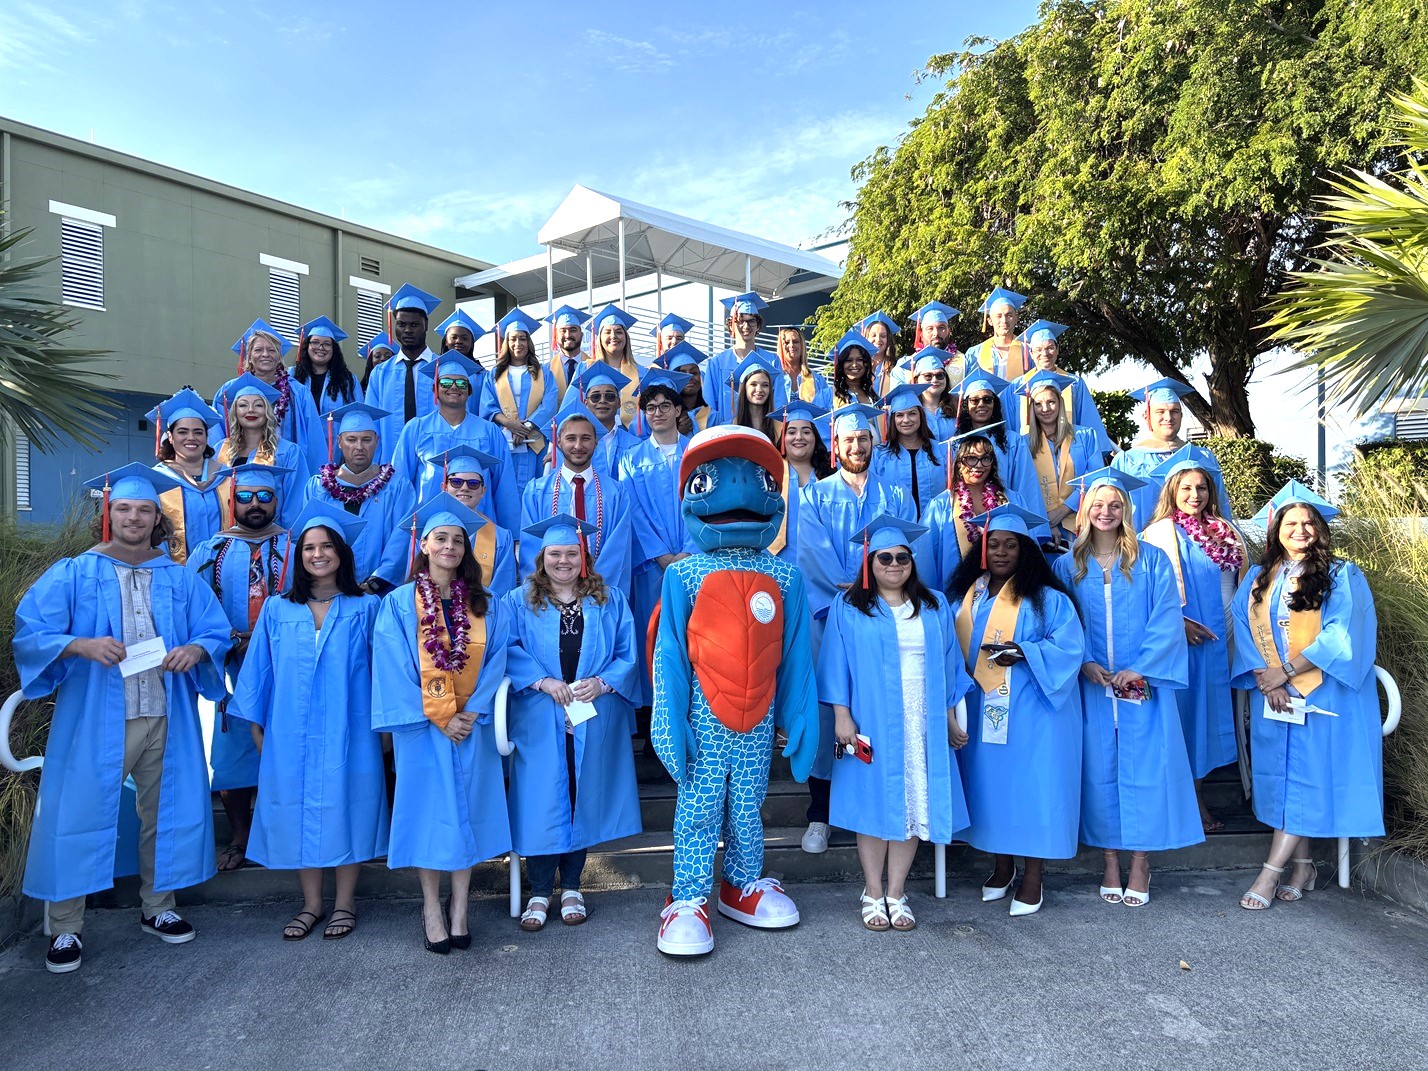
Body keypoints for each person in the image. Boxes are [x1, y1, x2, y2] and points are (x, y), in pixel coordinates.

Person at [15, 464, 231, 974]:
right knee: (77, 812)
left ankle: (158, 907)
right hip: (97, 717)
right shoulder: (75, 571)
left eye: (144, 510)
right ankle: (65, 927)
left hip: (165, 712)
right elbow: (31, 631)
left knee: (165, 813)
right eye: (125, 509)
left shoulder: (179, 577)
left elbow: (214, 629)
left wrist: (197, 650)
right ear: (109, 515)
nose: (134, 518)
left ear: (158, 517)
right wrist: (80, 645)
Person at [650, 426, 818, 956]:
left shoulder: (786, 577)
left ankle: (742, 882)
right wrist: (669, 720)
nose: (740, 492)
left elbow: (796, 652)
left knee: (748, 803)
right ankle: (688, 896)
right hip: (703, 716)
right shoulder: (683, 576)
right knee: (699, 804)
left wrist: (799, 715)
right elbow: (670, 654)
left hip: (757, 718)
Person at [227, 502, 387, 941]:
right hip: (290, 730)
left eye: (327, 546)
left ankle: (345, 903)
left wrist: (385, 729)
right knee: (298, 810)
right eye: (309, 547)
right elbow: (259, 669)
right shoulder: (278, 609)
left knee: (350, 808)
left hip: (352, 729)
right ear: (299, 556)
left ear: (342, 553)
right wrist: (256, 726)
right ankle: (312, 904)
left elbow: (384, 670)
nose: (318, 554)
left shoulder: (367, 607)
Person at [1051, 469, 1202, 907]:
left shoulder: (1151, 560)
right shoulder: (1067, 565)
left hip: (1141, 685)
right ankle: (1110, 861)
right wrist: (1083, 661)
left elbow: (1166, 617)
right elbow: (1061, 623)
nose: (1106, 512)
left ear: (1126, 511)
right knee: (1099, 771)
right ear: (1085, 510)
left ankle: (1140, 861)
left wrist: (1140, 668)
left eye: (1115, 505)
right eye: (1098, 505)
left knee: (1146, 770)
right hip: (1092, 685)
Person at [1232, 483, 1382, 911]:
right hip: (1274, 695)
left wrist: (1286, 673)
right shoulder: (1258, 578)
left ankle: (1269, 872)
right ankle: (1304, 867)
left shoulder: (1341, 575)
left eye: (1308, 523)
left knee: (1307, 778)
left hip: (1323, 695)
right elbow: (1242, 628)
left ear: (1320, 529)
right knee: (1285, 780)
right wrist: (1269, 680)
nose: (1300, 530)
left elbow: (1340, 637)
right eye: (1291, 523)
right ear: (1276, 530)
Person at [819, 514, 973, 931]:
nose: (893, 564)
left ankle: (896, 893)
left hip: (922, 720)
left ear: (912, 561)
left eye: (902, 557)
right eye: (883, 557)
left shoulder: (934, 604)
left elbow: (948, 665)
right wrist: (842, 716)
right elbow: (835, 663)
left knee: (914, 802)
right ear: (869, 562)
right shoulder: (849, 606)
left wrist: (948, 717)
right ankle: (872, 892)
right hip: (871, 716)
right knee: (873, 803)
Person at [371, 494, 511, 954]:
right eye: (441, 538)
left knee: (468, 811)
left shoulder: (485, 603)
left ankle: (460, 908)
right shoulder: (397, 603)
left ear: (466, 549)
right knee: (428, 816)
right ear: (425, 545)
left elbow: (497, 660)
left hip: (472, 727)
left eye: (458, 540)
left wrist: (472, 711)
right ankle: (431, 906)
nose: (449, 546)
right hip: (423, 729)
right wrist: (440, 716)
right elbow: (393, 666)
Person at [503, 515, 642, 930]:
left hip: (590, 714)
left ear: (584, 558)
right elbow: (505, 647)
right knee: (541, 800)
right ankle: (539, 891)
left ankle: (572, 887)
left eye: (571, 553)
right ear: (541, 557)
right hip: (538, 715)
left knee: (581, 797)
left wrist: (602, 683)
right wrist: (542, 681)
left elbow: (628, 652)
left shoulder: (609, 599)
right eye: (555, 554)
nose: (563, 561)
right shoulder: (518, 600)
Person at [947, 504, 1085, 915]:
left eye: (1011, 545)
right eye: (994, 544)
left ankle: (1033, 877)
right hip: (983, 706)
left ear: (1026, 551)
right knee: (994, 789)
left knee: (1033, 789)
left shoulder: (1047, 599)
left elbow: (1070, 648)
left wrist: (1025, 651)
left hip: (1035, 712)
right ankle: (1003, 867)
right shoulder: (967, 596)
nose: (1002, 552)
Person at [796, 404, 914, 854]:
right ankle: (820, 815)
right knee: (829, 712)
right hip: (830, 617)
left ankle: (880, 809)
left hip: (887, 618)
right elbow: (811, 553)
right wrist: (858, 589)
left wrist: (877, 590)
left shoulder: (896, 495)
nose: (857, 446)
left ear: (873, 443)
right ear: (836, 445)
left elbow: (905, 555)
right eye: (849, 440)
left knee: (880, 709)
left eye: (863, 438)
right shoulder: (814, 495)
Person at [187, 462, 293, 873]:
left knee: (286, 746)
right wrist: (229, 640)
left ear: (277, 500)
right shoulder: (210, 550)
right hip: (229, 664)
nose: (255, 504)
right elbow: (194, 609)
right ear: (232, 500)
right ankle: (240, 836)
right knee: (232, 752)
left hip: (286, 664)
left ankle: (283, 834)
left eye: (264, 496)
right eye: (245, 497)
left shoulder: (298, 545)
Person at [1140, 446, 1249, 830]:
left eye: (1201, 487)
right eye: (1186, 488)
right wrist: (1178, 624)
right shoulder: (1157, 534)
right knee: (1187, 718)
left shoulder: (1226, 530)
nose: (1194, 495)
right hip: (1186, 640)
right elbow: (1146, 593)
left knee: (1209, 718)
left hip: (1226, 637)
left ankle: (1200, 794)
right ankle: (1190, 801)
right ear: (1172, 490)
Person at [619, 370, 695, 715]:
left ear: (678, 410)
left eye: (666, 405)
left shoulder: (697, 453)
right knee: (653, 636)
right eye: (651, 407)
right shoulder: (631, 458)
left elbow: (706, 504)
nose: (658, 412)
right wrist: (661, 555)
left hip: (694, 562)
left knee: (694, 635)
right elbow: (633, 512)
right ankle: (656, 716)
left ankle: (693, 710)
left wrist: (690, 550)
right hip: (652, 567)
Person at [389, 350, 520, 530]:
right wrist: (401, 531)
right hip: (429, 528)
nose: (454, 387)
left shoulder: (489, 431)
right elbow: (401, 483)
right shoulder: (416, 428)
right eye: (445, 382)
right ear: (435, 389)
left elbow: (505, 486)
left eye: (461, 383)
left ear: (469, 391)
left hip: (481, 528)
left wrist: (511, 533)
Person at [302, 401, 416, 595]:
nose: (359, 447)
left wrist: (377, 581)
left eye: (366, 439)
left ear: (377, 441)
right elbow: (309, 537)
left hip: (379, 592)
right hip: (328, 590)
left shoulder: (397, 487)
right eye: (351, 439)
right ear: (339, 442)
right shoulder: (318, 487)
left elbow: (402, 537)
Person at [519, 402, 634, 596]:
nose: (578, 446)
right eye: (571, 438)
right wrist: (547, 593)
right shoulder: (536, 491)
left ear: (596, 442)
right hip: (550, 595)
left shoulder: (616, 492)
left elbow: (618, 550)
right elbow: (530, 549)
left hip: (599, 594)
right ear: (558, 442)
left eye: (586, 438)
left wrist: (596, 590)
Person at [211, 319, 326, 474]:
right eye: (258, 350)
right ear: (249, 356)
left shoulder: (298, 393)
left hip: (288, 469)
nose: (265, 354)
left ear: (279, 356)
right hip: (238, 471)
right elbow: (216, 436)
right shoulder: (229, 391)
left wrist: (315, 476)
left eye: (272, 350)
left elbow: (314, 438)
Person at [1111, 377, 1231, 525]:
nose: (1168, 417)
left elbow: (1220, 507)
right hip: (1142, 537)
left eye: (1175, 411)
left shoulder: (1203, 457)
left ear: (1181, 416)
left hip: (1196, 538)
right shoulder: (1128, 461)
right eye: (1160, 411)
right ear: (1146, 417)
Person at [921, 429, 1017, 591]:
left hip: (1003, 590)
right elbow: (926, 558)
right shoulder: (941, 505)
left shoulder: (1010, 499)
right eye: (971, 459)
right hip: (956, 591)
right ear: (959, 463)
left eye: (985, 459)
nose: (979, 465)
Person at [1000, 320, 1113, 454]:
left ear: (1058, 350)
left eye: (1050, 348)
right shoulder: (1016, 386)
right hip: (1029, 454)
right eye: (1038, 349)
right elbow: (1007, 425)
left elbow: (1088, 419)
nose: (1045, 353)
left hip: (1070, 453)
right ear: (1030, 353)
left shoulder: (1075, 383)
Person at [1020, 369, 1106, 547]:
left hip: (1082, 520)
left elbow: (1095, 477)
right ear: (1032, 408)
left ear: (1060, 402)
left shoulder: (1085, 436)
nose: (1045, 409)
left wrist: (1064, 509)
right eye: (1038, 404)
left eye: (1051, 402)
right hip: (1042, 529)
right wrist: (1048, 523)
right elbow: (1026, 488)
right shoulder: (1024, 444)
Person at [479, 309, 560, 492]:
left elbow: (549, 405)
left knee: (537, 488)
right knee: (505, 490)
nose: (518, 343)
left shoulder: (543, 373)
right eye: (513, 339)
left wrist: (525, 428)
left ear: (529, 342)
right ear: (506, 343)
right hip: (505, 441)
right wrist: (510, 424)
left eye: (522, 339)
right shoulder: (494, 374)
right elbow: (487, 406)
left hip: (536, 443)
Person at [955, 368, 1046, 530]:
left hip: (1005, 519)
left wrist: (1031, 530)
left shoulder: (1012, 441)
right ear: (966, 405)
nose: (981, 404)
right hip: (963, 518)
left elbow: (1026, 485)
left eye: (987, 399)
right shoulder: (956, 443)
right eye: (974, 400)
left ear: (995, 404)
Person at [211, 374, 307, 527]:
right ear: (235, 411)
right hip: (226, 534)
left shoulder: (288, 451)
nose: (251, 410)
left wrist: (286, 538)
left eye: (258, 405)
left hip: (271, 534)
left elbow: (294, 503)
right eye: (243, 405)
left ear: (267, 411)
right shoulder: (219, 449)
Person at [365, 283, 443, 461]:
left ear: (426, 325)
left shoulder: (442, 368)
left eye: (414, 324)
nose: (407, 330)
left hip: (434, 459)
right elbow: (372, 422)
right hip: (390, 459)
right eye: (401, 324)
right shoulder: (380, 373)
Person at [148, 388, 226, 565]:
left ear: (207, 436)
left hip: (224, 569)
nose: (191, 438)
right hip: (174, 569)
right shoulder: (158, 479)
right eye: (182, 432)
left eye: (198, 432)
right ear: (170, 437)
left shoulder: (226, 476)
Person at [435, 448, 519, 598]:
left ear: (483, 491)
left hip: (483, 609)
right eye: (456, 482)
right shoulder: (427, 531)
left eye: (473, 483)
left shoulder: (501, 537)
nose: (464, 488)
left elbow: (503, 593)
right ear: (444, 487)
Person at [767, 400, 832, 564]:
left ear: (815, 438)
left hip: (821, 563)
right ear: (783, 438)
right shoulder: (769, 475)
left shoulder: (830, 475)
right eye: (791, 432)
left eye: (806, 432)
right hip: (777, 562)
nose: (799, 437)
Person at [701, 292, 781, 424]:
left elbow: (779, 402)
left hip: (763, 431)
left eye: (751, 321)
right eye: (740, 321)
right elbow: (710, 407)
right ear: (731, 325)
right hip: (728, 432)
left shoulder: (772, 361)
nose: (746, 326)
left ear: (758, 325)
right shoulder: (717, 363)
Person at [872, 383, 941, 520]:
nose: (906, 420)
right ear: (893, 419)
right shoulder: (879, 455)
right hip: (896, 526)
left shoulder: (942, 450)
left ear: (921, 416)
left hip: (936, 524)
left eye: (912, 414)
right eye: (899, 415)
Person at [572, 361, 639, 476]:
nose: (602, 401)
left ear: (619, 402)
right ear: (585, 403)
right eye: (595, 397)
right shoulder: (574, 446)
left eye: (610, 396)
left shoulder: (635, 445)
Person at [293, 316, 364, 418]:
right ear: (307, 346)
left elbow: (358, 415)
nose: (320, 348)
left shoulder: (348, 380)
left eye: (327, 344)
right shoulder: (292, 376)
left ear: (333, 349)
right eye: (315, 342)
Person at [587, 304, 643, 427]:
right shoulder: (586, 369)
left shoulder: (641, 373)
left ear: (626, 337)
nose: (613, 336)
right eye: (607, 332)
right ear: (599, 338)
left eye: (619, 332)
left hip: (633, 435)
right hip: (594, 434)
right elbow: (573, 406)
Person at [965, 287, 1031, 380]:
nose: (1004, 320)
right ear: (990, 321)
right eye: (999, 316)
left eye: (1009, 315)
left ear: (1016, 318)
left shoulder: (1029, 351)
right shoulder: (974, 354)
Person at [658, 341, 715, 434]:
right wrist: (678, 433)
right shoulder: (663, 415)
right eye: (682, 373)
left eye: (694, 373)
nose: (690, 377)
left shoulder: (712, 415)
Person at [908, 348, 960, 442]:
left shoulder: (957, 408)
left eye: (940, 375)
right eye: (928, 376)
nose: (935, 380)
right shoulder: (909, 410)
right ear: (916, 380)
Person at [544, 304, 591, 402]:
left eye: (573, 330)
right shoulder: (546, 371)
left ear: (581, 335)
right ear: (556, 336)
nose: (568, 335)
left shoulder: (592, 366)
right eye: (563, 331)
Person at [776, 326, 831, 408]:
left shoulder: (818, 380)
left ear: (802, 346)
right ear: (781, 347)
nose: (791, 345)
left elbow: (827, 410)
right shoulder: (774, 379)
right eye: (787, 342)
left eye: (795, 342)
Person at [732, 352, 779, 440]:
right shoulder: (732, 426)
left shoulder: (778, 427)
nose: (759, 389)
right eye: (753, 384)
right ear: (744, 388)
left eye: (765, 385)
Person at [829, 330, 879, 409]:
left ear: (865, 364)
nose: (855, 365)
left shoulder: (873, 396)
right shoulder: (828, 395)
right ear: (841, 364)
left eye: (860, 360)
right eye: (849, 360)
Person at [860, 310, 904, 396]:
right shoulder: (858, 366)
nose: (878, 339)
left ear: (888, 340)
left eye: (883, 336)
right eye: (873, 335)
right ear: (865, 338)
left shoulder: (896, 368)